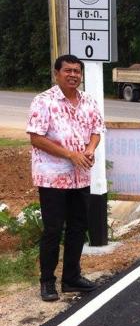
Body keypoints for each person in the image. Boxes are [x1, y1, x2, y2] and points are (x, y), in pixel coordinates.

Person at [27, 54, 105, 302]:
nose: (73, 75)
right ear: (56, 74)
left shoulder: (88, 101)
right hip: (52, 177)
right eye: (68, 70)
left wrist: (90, 149)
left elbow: (97, 130)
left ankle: (71, 278)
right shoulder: (43, 101)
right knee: (53, 229)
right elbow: (36, 138)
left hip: (80, 176)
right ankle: (47, 281)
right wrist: (70, 154)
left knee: (78, 227)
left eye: (77, 71)